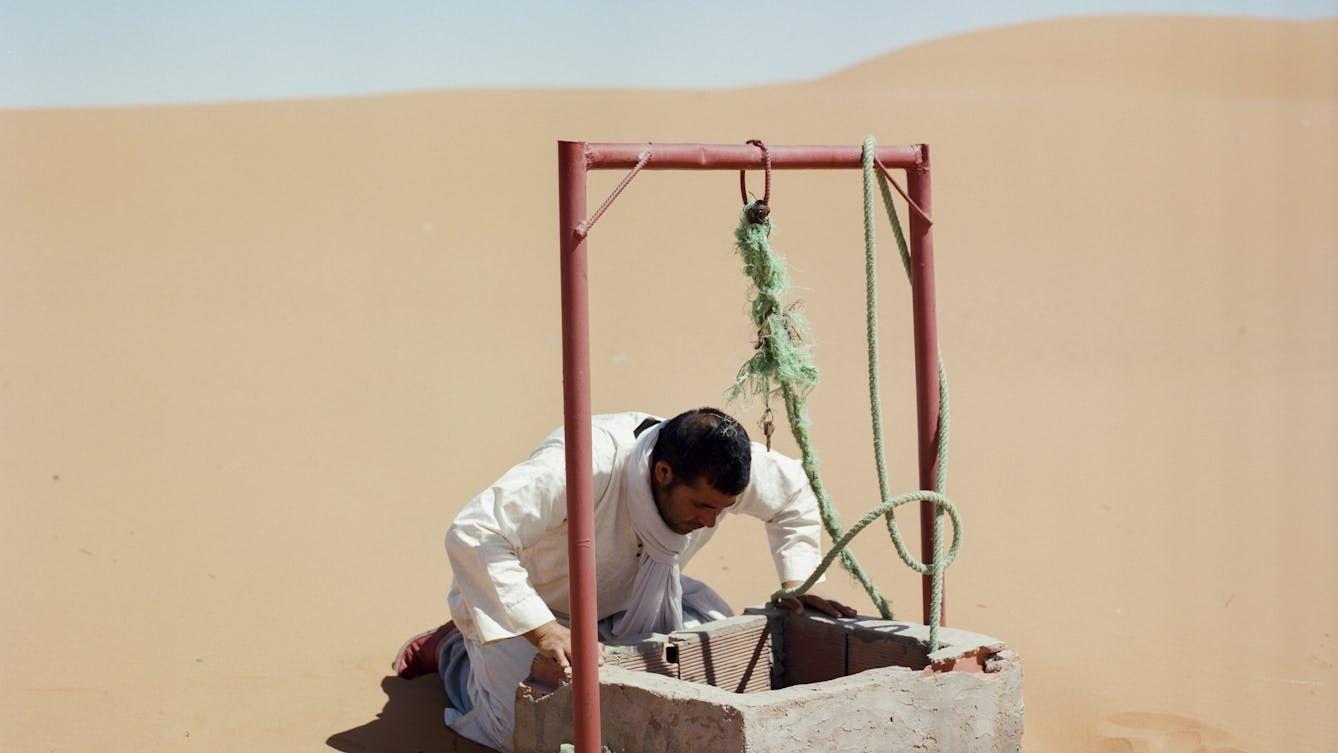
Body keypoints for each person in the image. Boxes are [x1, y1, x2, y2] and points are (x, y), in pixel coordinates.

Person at [393, 408, 855, 752]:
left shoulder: (722, 470)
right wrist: (542, 629)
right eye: (701, 507)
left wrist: (800, 581)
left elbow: (792, 492)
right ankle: (454, 649)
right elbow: (475, 532)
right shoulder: (582, 465)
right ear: (663, 473)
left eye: (723, 508)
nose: (712, 522)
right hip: (535, 607)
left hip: (641, 596)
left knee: (714, 674)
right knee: (528, 728)